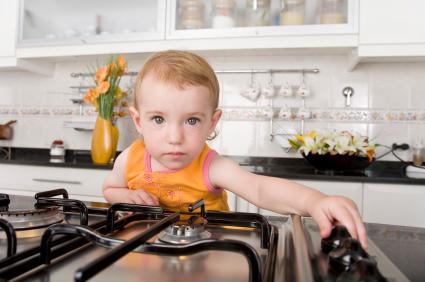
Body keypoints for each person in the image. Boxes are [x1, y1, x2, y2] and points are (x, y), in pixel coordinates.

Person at [102, 50, 367, 249]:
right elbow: (109, 189)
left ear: (211, 123)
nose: (174, 137)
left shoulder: (212, 166)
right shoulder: (129, 158)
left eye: (192, 120)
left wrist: (315, 201)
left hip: (208, 254)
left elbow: (260, 189)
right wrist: (125, 194)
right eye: (158, 119)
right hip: (146, 251)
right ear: (138, 121)